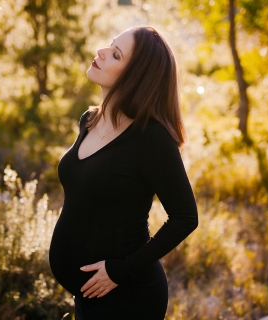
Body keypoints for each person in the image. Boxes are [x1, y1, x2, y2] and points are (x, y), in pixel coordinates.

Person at [49, 26, 198, 320]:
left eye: (115, 55)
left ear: (135, 77)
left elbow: (185, 217)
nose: (100, 53)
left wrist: (121, 270)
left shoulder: (151, 138)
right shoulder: (90, 120)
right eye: (109, 45)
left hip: (128, 299)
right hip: (87, 297)